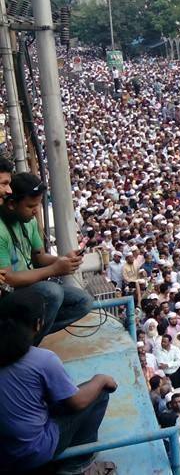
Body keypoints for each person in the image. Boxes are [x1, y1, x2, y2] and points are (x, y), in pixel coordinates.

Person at [0, 290, 116, 473]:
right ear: (39, 324)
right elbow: (77, 403)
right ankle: (78, 464)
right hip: (29, 453)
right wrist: (100, 379)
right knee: (98, 394)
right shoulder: (42, 360)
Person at [0, 173, 91, 344]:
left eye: (38, 205)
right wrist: (54, 269)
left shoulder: (30, 221)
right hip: (8, 296)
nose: (36, 211)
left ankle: (25, 336)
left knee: (83, 301)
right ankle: (27, 346)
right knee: (52, 292)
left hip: (30, 288)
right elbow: (9, 279)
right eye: (30, 206)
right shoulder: (1, 230)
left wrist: (63, 260)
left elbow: (39, 257)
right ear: (12, 204)